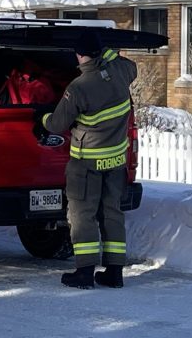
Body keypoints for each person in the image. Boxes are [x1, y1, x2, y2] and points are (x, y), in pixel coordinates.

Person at [37, 30, 137, 289]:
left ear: (80, 55)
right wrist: (107, 54)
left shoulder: (79, 87)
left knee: (82, 215)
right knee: (112, 213)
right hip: (115, 160)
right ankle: (115, 273)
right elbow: (130, 65)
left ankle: (84, 272)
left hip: (87, 163)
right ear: (102, 52)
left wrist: (41, 120)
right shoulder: (121, 72)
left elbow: (58, 123)